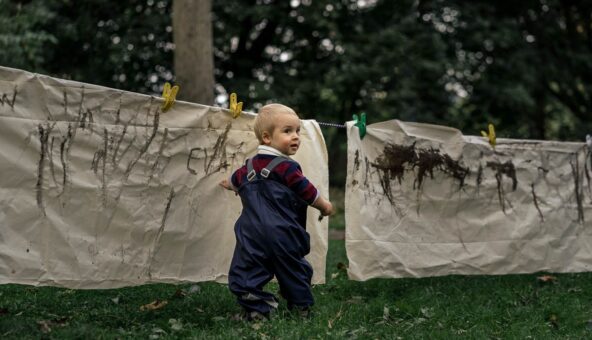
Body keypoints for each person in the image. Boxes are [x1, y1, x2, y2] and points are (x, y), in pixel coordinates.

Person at [220, 103, 333, 321]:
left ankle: (258, 308)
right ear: (267, 138)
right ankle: (300, 308)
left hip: (251, 234)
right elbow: (308, 192)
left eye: (298, 131)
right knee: (292, 270)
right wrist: (324, 206)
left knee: (246, 272)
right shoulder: (287, 168)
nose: (296, 137)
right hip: (284, 233)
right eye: (288, 131)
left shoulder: (248, 168)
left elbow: (235, 180)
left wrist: (229, 183)